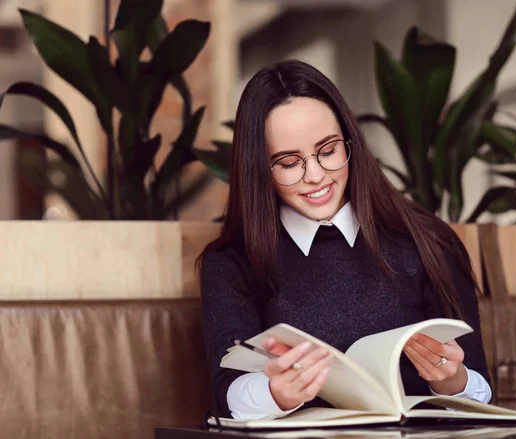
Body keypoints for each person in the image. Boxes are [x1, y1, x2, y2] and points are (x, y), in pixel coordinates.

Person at [198, 59, 492, 420]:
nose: (317, 176)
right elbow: (228, 396)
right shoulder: (232, 263)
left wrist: (451, 380)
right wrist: (275, 393)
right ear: (260, 168)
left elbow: (480, 393)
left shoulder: (428, 242)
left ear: (349, 141)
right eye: (289, 163)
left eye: (328, 150)